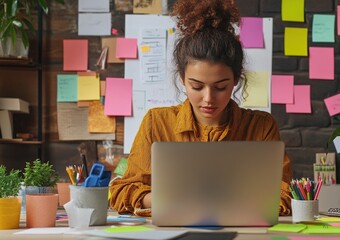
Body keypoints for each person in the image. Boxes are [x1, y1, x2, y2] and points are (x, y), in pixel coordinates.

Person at [109, 0, 293, 216]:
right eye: (196, 86)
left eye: (220, 87)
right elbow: (120, 191)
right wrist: (167, 200)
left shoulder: (261, 126)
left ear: (235, 79)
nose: (208, 98)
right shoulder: (156, 123)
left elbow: (284, 195)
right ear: (182, 79)